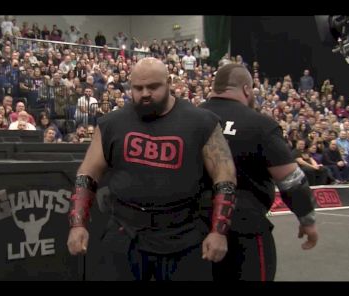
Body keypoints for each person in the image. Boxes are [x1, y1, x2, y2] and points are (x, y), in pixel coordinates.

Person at [66, 57, 237, 281]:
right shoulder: (112, 124)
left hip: (184, 234)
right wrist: (77, 224)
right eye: (138, 88)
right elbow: (87, 175)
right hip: (125, 233)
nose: (145, 93)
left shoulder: (201, 122)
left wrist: (219, 231)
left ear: (169, 83)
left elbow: (225, 178)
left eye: (153, 87)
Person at [201, 63, 319, 281]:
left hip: (195, 230)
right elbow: (292, 182)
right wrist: (307, 220)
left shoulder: (192, 119)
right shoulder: (260, 125)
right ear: (247, 89)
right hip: (245, 230)